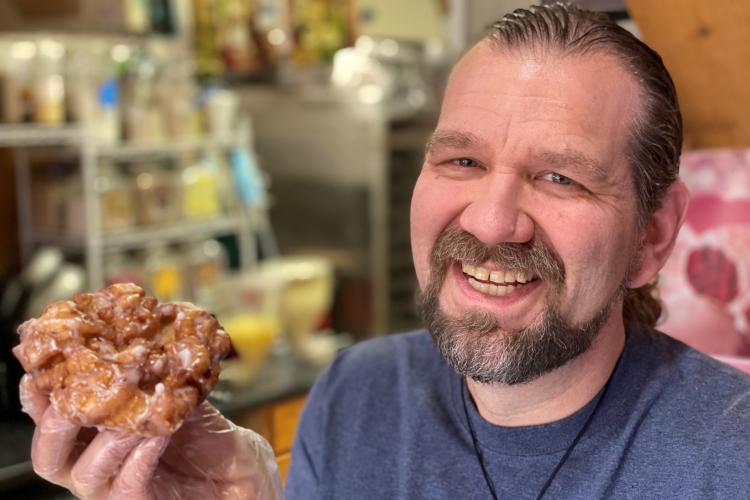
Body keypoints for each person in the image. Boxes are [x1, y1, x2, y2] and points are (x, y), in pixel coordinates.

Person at [18, 3, 750, 499]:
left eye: (559, 177)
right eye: (461, 162)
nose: (493, 222)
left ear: (651, 237)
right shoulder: (354, 394)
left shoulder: (729, 455)